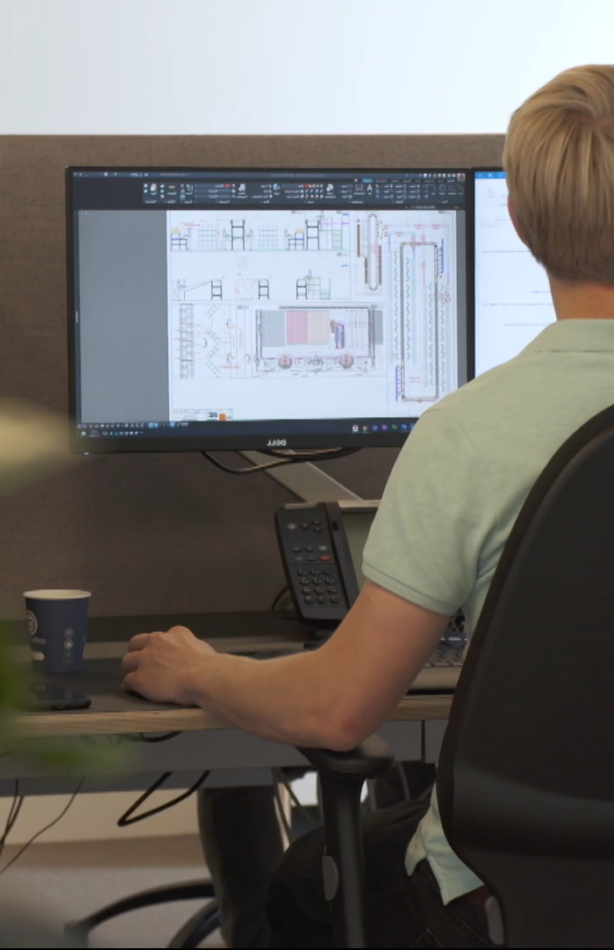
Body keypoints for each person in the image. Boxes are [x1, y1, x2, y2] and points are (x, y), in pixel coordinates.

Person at [121, 64, 614, 947]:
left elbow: (337, 711)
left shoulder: (471, 432)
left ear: (517, 218)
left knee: (302, 888)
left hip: (509, 889)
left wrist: (197, 669)